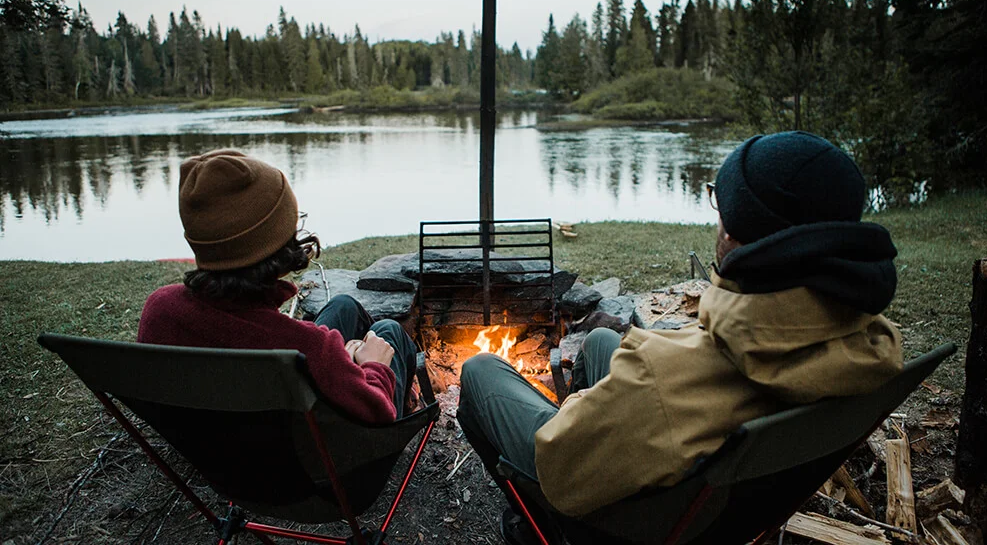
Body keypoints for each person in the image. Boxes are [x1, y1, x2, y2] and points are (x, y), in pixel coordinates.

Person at [457, 131, 904, 543]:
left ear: (733, 234)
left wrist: (578, 409)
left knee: (479, 370)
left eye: (719, 204)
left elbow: (557, 464)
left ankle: (539, 530)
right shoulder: (873, 347)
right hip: (725, 508)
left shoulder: (661, 374)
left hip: (635, 524)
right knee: (598, 344)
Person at [137, 149, 418, 423]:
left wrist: (336, 361)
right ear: (276, 244)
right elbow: (377, 411)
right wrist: (374, 366)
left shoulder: (160, 308)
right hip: (317, 457)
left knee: (343, 306)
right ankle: (411, 400)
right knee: (387, 331)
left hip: (215, 442)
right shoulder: (306, 348)